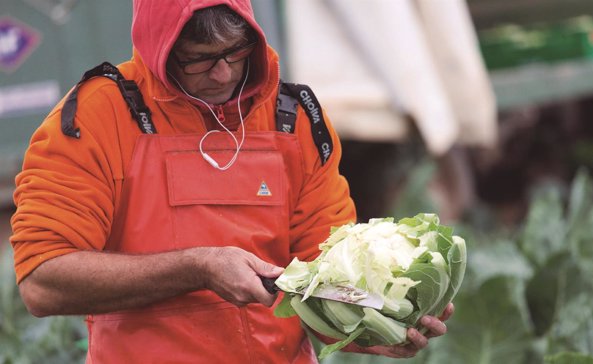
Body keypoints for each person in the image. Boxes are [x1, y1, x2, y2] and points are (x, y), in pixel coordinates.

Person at [10, 1, 453, 362]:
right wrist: (198, 266)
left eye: (235, 52)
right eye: (199, 60)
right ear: (158, 49)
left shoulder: (293, 118)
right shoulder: (98, 114)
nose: (222, 74)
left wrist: (376, 321)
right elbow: (42, 281)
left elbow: (326, 274)